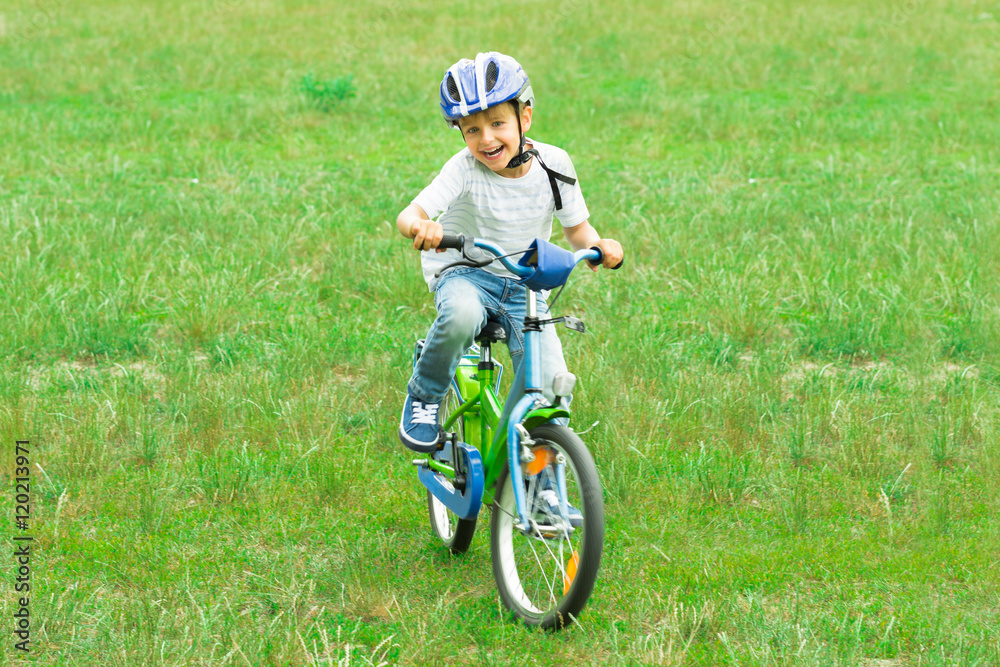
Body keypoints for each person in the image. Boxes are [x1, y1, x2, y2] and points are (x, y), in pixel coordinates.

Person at [396, 51, 624, 453]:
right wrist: (421, 225)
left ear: (526, 118)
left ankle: (542, 486)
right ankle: (426, 394)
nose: (486, 139)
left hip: (524, 283)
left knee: (551, 390)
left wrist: (599, 247)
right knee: (462, 315)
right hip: (466, 272)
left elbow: (578, 231)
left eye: (498, 123)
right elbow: (409, 214)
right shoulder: (464, 169)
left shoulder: (555, 165)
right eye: (471, 130)